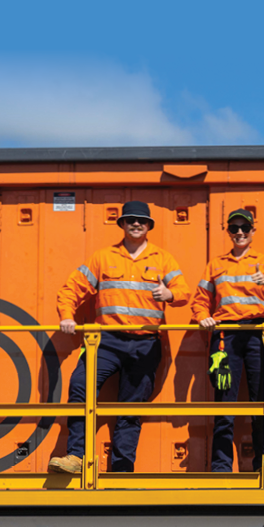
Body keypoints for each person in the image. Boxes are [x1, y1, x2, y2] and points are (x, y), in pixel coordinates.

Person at [48, 201, 190, 474]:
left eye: (141, 221)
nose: (136, 224)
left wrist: (171, 295)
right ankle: (76, 457)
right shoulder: (103, 258)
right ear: (122, 224)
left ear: (149, 226)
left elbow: (184, 292)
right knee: (80, 387)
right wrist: (67, 316)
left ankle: (122, 469)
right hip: (106, 342)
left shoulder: (163, 259)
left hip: (145, 344)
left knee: (131, 407)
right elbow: (71, 288)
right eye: (130, 220)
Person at [193, 208, 264, 472]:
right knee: (224, 403)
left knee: (262, 403)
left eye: (244, 228)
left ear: (252, 230)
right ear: (228, 231)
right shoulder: (215, 264)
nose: (239, 233)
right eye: (234, 228)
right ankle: (221, 468)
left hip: (259, 335)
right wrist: (203, 316)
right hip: (226, 336)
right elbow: (200, 299)